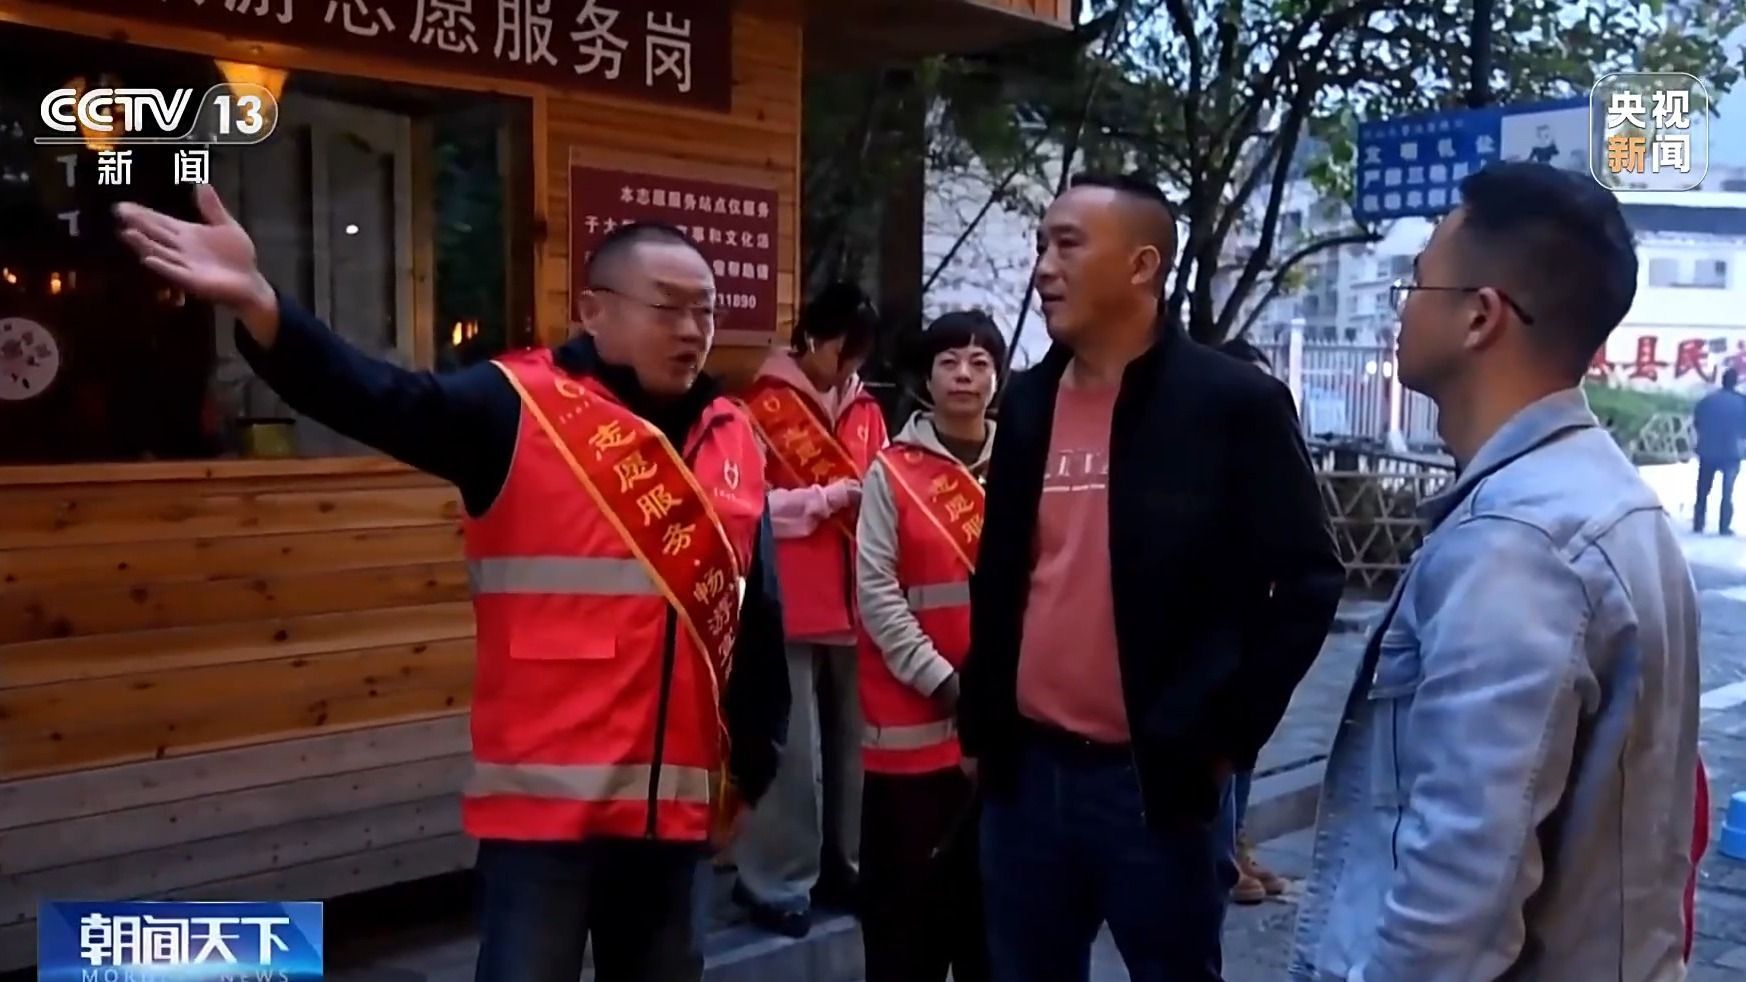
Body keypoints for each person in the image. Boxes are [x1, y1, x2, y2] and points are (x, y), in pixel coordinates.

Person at [113, 188, 791, 982]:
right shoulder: (519, 407)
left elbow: (757, 617)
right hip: (542, 823)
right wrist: (263, 306)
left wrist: (752, 772)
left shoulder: (733, 437)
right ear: (593, 310)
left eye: (705, 310)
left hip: (676, 825)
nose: (691, 329)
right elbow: (376, 397)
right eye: (667, 306)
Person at [1289, 161, 1700, 981]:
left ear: (1481, 316)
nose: (1400, 307)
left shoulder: (1518, 540)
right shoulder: (1608, 499)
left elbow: (1456, 903)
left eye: (1416, 283)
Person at [958, 172, 1344, 982]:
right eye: (1041, 245)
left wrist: (1224, 736)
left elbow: (1308, 583)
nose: (1043, 268)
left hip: (1155, 785)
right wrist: (981, 728)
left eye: (1068, 245)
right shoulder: (1027, 404)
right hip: (1026, 778)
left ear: (1142, 265)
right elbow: (1001, 578)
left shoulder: (1231, 404)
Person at [732, 282, 888, 937]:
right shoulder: (758, 407)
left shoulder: (866, 409)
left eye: (858, 358)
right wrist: (826, 500)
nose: (846, 369)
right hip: (789, 597)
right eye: (840, 352)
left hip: (859, 597)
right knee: (792, 752)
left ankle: (847, 866)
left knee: (855, 747)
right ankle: (774, 880)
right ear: (812, 338)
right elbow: (748, 508)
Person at [855, 310, 1003, 982]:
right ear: (926, 377)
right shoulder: (891, 473)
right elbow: (877, 595)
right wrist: (948, 685)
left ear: (998, 378)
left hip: (1003, 743)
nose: (964, 375)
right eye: (949, 362)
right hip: (910, 747)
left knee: (991, 936)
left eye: (979, 362)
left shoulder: (1025, 463)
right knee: (904, 938)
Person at [1213, 336, 1291, 908]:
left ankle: (1236, 842)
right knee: (1216, 742)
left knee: (1246, 739)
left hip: (1253, 623)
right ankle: (1219, 853)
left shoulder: (1268, 463)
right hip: (1208, 633)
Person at [1692, 367, 1746, 535]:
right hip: (1731, 451)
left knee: (1703, 490)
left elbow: (1697, 422)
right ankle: (1724, 526)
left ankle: (1698, 523)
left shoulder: (1707, 400)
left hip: (1708, 449)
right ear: (1735, 382)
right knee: (1727, 492)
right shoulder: (1742, 402)